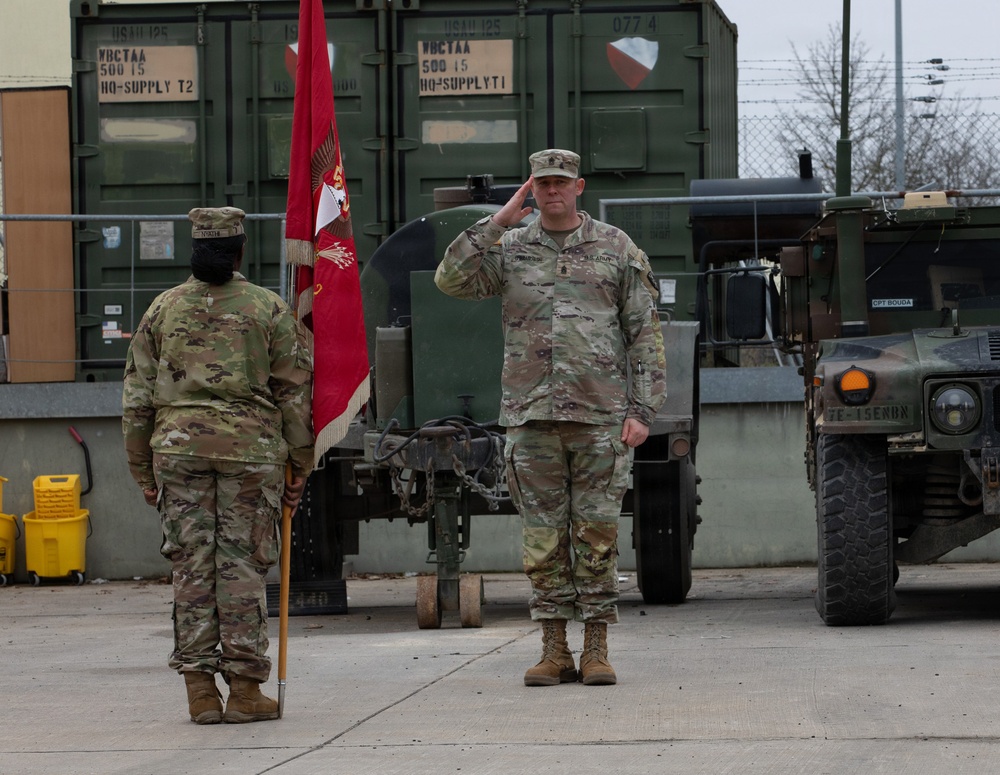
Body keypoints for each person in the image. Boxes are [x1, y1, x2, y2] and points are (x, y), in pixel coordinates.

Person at [435, 149, 666, 686]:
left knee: (597, 535)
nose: (552, 191)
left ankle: (597, 650)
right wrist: (496, 222)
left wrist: (643, 410)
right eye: (542, 184)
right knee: (542, 540)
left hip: (600, 418)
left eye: (561, 182)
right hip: (531, 415)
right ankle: (554, 649)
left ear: (579, 186)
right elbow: (450, 279)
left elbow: (644, 334)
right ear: (531, 190)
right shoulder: (512, 248)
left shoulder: (615, 248)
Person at [122, 207, 314, 724]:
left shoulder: (161, 310)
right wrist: (300, 465)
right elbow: (293, 393)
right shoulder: (268, 309)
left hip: (178, 451)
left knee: (191, 567)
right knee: (242, 567)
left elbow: (137, 398)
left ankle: (200, 692)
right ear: (241, 250)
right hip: (250, 454)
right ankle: (247, 692)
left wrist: (144, 472)